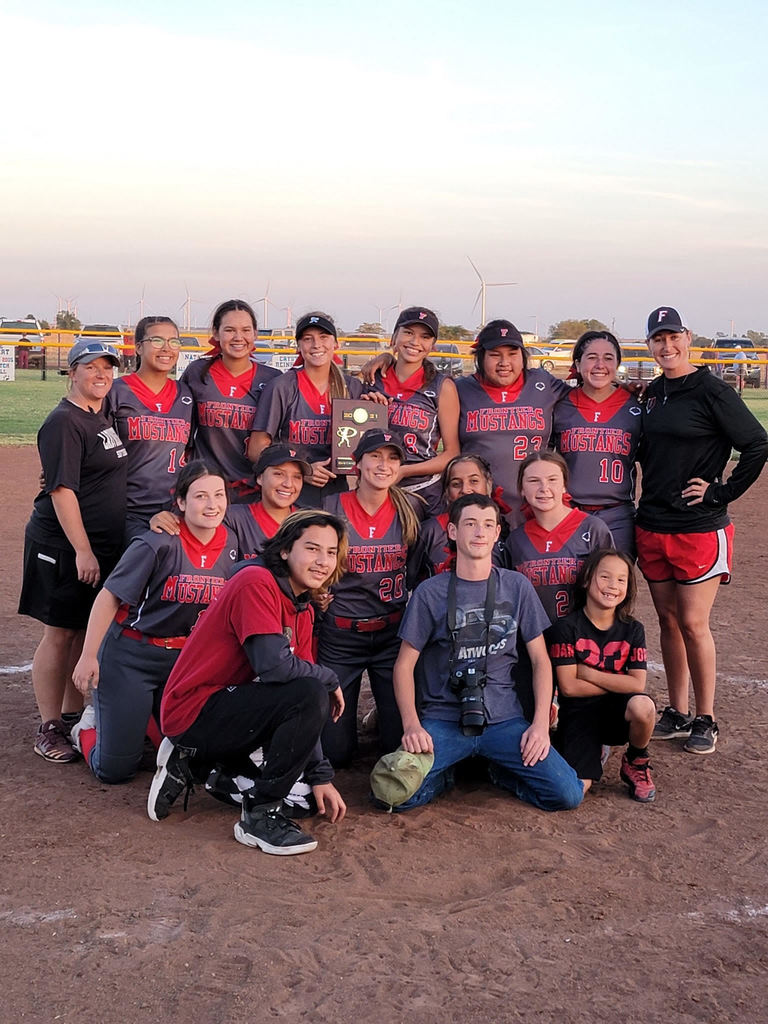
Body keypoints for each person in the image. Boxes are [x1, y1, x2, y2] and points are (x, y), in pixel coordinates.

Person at [148, 510, 349, 856]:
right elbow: (276, 669)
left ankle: (197, 764)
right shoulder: (255, 582)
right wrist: (329, 679)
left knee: (303, 802)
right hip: (193, 710)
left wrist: (320, 776)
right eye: (313, 549)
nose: (323, 561)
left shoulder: (301, 604)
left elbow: (300, 686)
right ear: (285, 550)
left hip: (230, 708)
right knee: (309, 690)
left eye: (331, 552)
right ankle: (258, 816)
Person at [390, 494, 584, 812]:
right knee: (396, 795)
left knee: (567, 795)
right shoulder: (430, 592)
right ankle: (446, 775)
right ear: (452, 531)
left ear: (497, 534)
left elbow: (540, 660)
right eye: (470, 524)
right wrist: (413, 725)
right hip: (444, 719)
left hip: (505, 720)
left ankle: (500, 773)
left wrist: (538, 725)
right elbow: (403, 666)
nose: (479, 532)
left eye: (488, 525)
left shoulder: (516, 586)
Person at [637, 306, 768, 755]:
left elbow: (756, 443)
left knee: (693, 623)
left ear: (688, 337)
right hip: (652, 523)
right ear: (650, 343)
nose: (667, 347)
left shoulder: (712, 390)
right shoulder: (653, 393)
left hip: (697, 527)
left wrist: (720, 493)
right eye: (658, 339)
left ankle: (706, 717)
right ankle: (676, 711)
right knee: (668, 621)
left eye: (674, 337)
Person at [70, 462, 238, 782]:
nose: (212, 504)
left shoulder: (232, 543)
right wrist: (89, 655)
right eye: (200, 496)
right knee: (115, 770)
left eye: (219, 495)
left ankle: (141, 715)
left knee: (193, 760)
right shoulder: (158, 542)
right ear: (181, 503)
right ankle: (85, 730)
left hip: (184, 662)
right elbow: (109, 597)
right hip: (132, 655)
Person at [18, 338, 127, 763]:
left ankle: (71, 713)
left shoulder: (96, 416)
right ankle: (48, 726)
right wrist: (82, 550)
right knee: (60, 632)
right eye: (91, 367)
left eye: (107, 368)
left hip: (96, 544)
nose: (101, 375)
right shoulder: (64, 422)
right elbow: (62, 491)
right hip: (62, 545)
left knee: (82, 629)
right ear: (72, 372)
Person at [319, 429, 424, 766]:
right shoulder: (330, 506)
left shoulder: (411, 509)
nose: (384, 465)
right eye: (376, 456)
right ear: (358, 463)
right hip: (340, 635)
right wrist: (315, 594)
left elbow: (418, 573)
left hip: (392, 635)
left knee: (397, 745)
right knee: (336, 754)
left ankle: (383, 714)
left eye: (393, 458)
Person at [548, 549, 656, 802]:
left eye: (621, 580)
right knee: (575, 791)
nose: (612, 586)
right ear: (586, 580)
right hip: (579, 713)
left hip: (616, 713)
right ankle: (591, 750)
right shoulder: (566, 628)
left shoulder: (633, 629)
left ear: (628, 588)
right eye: (605, 577)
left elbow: (638, 684)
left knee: (643, 706)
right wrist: (619, 683)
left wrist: (587, 673)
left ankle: (636, 760)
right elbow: (569, 688)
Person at [249, 312, 384, 508]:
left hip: (336, 493)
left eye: (323, 337)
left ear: (335, 343)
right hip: (290, 494)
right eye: (307, 339)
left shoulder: (352, 387)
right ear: (299, 346)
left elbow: (370, 443)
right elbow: (256, 449)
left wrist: (375, 408)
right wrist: (302, 470)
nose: (316, 345)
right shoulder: (283, 386)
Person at [456, 320, 570, 527]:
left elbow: (587, 396)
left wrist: (625, 388)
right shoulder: (460, 389)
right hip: (478, 508)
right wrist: (384, 363)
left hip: (535, 506)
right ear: (480, 357)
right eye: (494, 354)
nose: (504, 362)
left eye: (512, 354)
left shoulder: (543, 383)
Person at [552, 330, 641, 555]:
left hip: (618, 514)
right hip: (568, 512)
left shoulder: (636, 406)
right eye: (591, 357)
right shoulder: (561, 405)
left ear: (617, 364)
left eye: (608, 358)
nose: (600, 364)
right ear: (578, 363)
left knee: (614, 585)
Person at [105, 316, 193, 543]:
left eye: (174, 342)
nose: (166, 349)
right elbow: (88, 442)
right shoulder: (116, 392)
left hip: (174, 510)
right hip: (126, 510)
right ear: (137, 347)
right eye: (156, 340)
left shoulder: (186, 394)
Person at [182, 300, 281, 503]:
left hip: (254, 490)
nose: (238, 337)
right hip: (206, 487)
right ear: (216, 334)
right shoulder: (198, 373)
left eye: (246, 330)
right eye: (229, 330)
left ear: (255, 334)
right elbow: (180, 429)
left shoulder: (272, 378)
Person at [367, 307, 460, 515]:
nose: (415, 342)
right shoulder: (374, 379)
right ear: (394, 337)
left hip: (423, 490)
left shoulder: (441, 386)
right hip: (377, 486)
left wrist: (404, 471)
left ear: (432, 345)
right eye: (408, 332)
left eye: (425, 336)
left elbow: (452, 453)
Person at [504, 451, 613, 625]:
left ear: (564, 485)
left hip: (583, 639)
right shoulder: (516, 540)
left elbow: (612, 590)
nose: (544, 488)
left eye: (552, 480)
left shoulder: (593, 529)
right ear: (522, 489)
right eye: (533, 481)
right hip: (535, 640)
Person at [420, 453, 506, 573]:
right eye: (456, 484)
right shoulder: (430, 531)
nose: (465, 490)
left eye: (474, 481)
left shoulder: (503, 529)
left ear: (488, 484)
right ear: (447, 491)